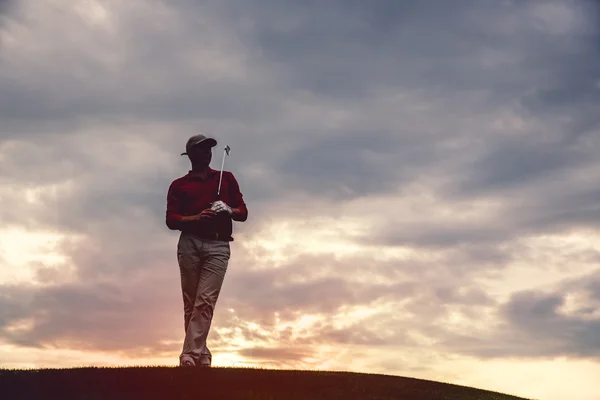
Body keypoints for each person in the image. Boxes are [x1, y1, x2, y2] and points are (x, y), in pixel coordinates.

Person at [165, 133, 248, 368]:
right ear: (191, 154)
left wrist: (229, 210)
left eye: (209, 149)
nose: (207, 153)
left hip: (219, 245)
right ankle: (201, 354)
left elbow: (243, 212)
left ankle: (188, 355)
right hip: (189, 243)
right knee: (192, 303)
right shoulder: (179, 185)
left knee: (205, 300)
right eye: (202, 149)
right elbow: (172, 220)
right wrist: (196, 217)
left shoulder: (226, 179)